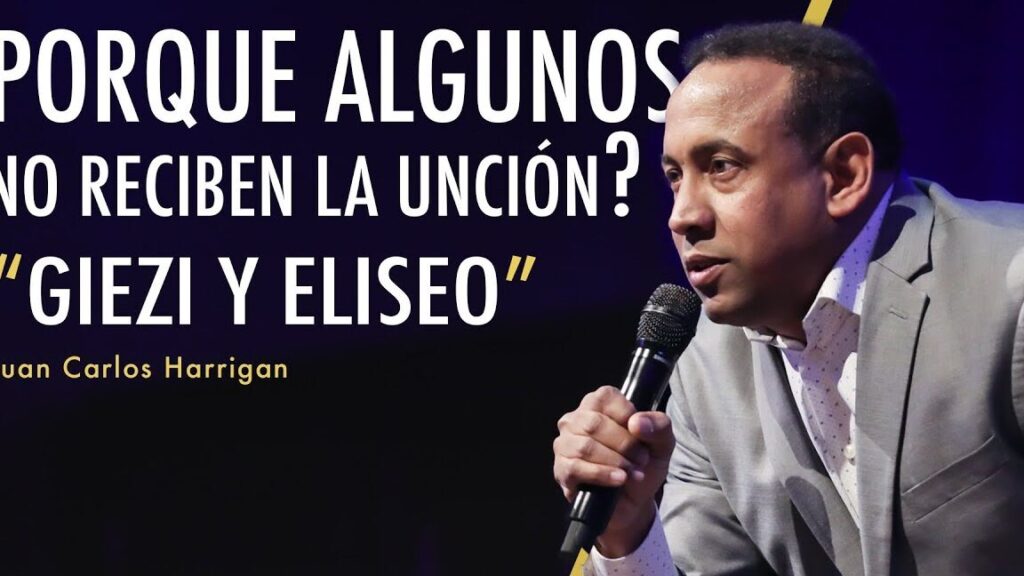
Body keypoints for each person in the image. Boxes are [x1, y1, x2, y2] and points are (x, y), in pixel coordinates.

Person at [552, 21, 1024, 576]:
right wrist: (628, 530)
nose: (682, 216)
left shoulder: (1009, 290)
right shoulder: (706, 366)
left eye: (721, 167)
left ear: (843, 175)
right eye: (676, 177)